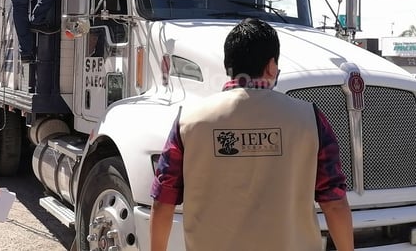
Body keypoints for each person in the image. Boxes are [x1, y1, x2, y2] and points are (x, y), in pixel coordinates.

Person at [149, 18, 354, 251]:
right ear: (271, 66)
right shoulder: (310, 119)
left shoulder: (189, 120)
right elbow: (335, 203)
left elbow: (162, 202)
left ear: (228, 68)